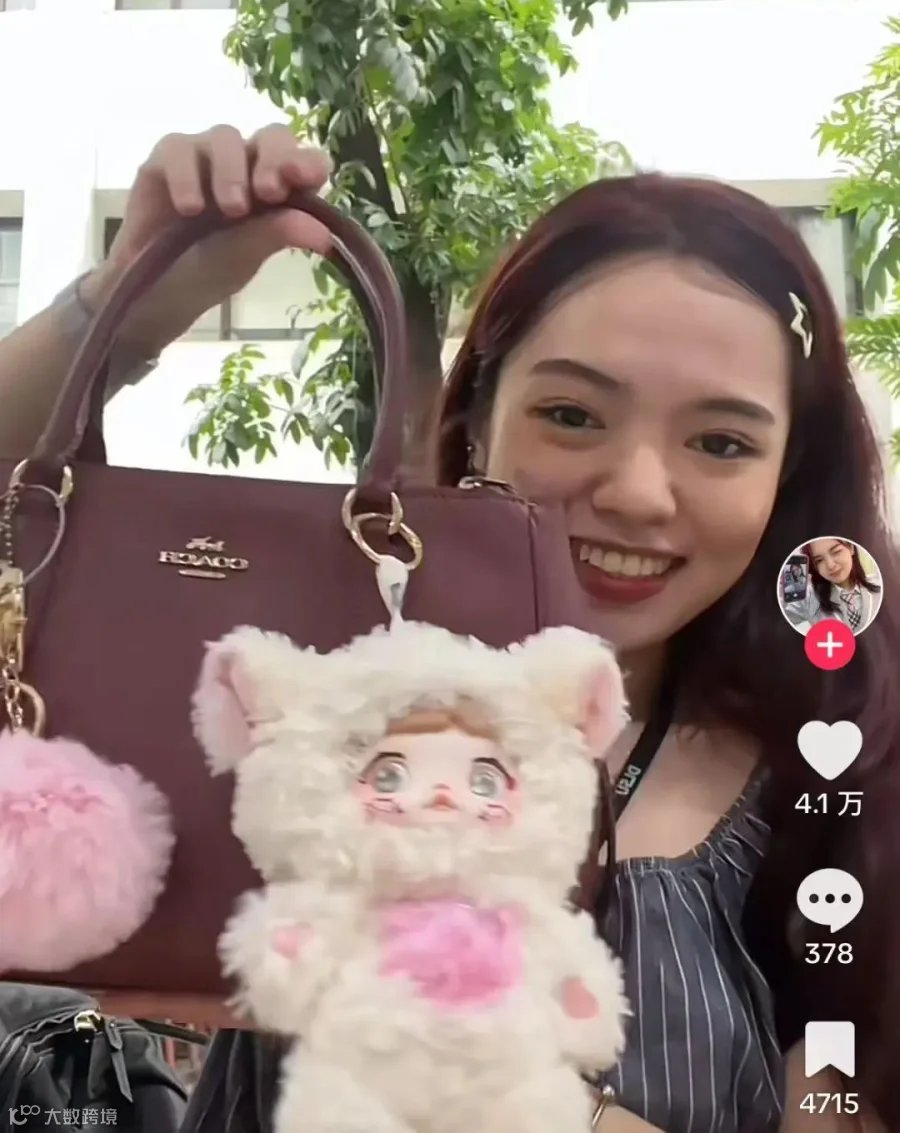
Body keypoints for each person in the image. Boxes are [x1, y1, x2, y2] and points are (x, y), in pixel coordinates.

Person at [0, 124, 896, 1133]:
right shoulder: (323, 683)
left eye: (722, 442)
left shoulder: (838, 793)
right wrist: (118, 312)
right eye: (573, 415)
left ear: (785, 478)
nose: (639, 491)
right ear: (476, 419)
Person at [780, 537, 883, 635]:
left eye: (836, 552)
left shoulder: (881, 587)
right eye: (819, 560)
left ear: (851, 548)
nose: (830, 565)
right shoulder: (809, 597)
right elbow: (780, 619)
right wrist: (782, 590)